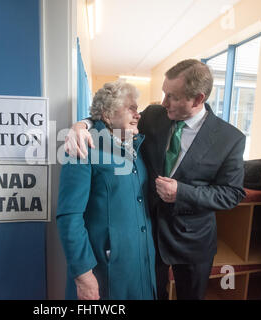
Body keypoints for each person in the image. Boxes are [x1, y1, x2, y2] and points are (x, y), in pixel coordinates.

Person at [65, 59, 246, 300]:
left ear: (198, 99)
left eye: (171, 96)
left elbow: (232, 194)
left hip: (192, 243)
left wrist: (182, 193)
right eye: (164, 93)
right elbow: (107, 116)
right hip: (149, 238)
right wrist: (80, 125)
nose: (163, 102)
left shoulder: (230, 138)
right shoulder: (153, 116)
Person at [57, 81, 156, 300]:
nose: (137, 114)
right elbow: (69, 217)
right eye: (130, 108)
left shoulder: (136, 148)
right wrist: (83, 275)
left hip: (140, 265)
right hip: (106, 269)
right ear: (108, 115)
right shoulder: (83, 147)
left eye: (137, 108)